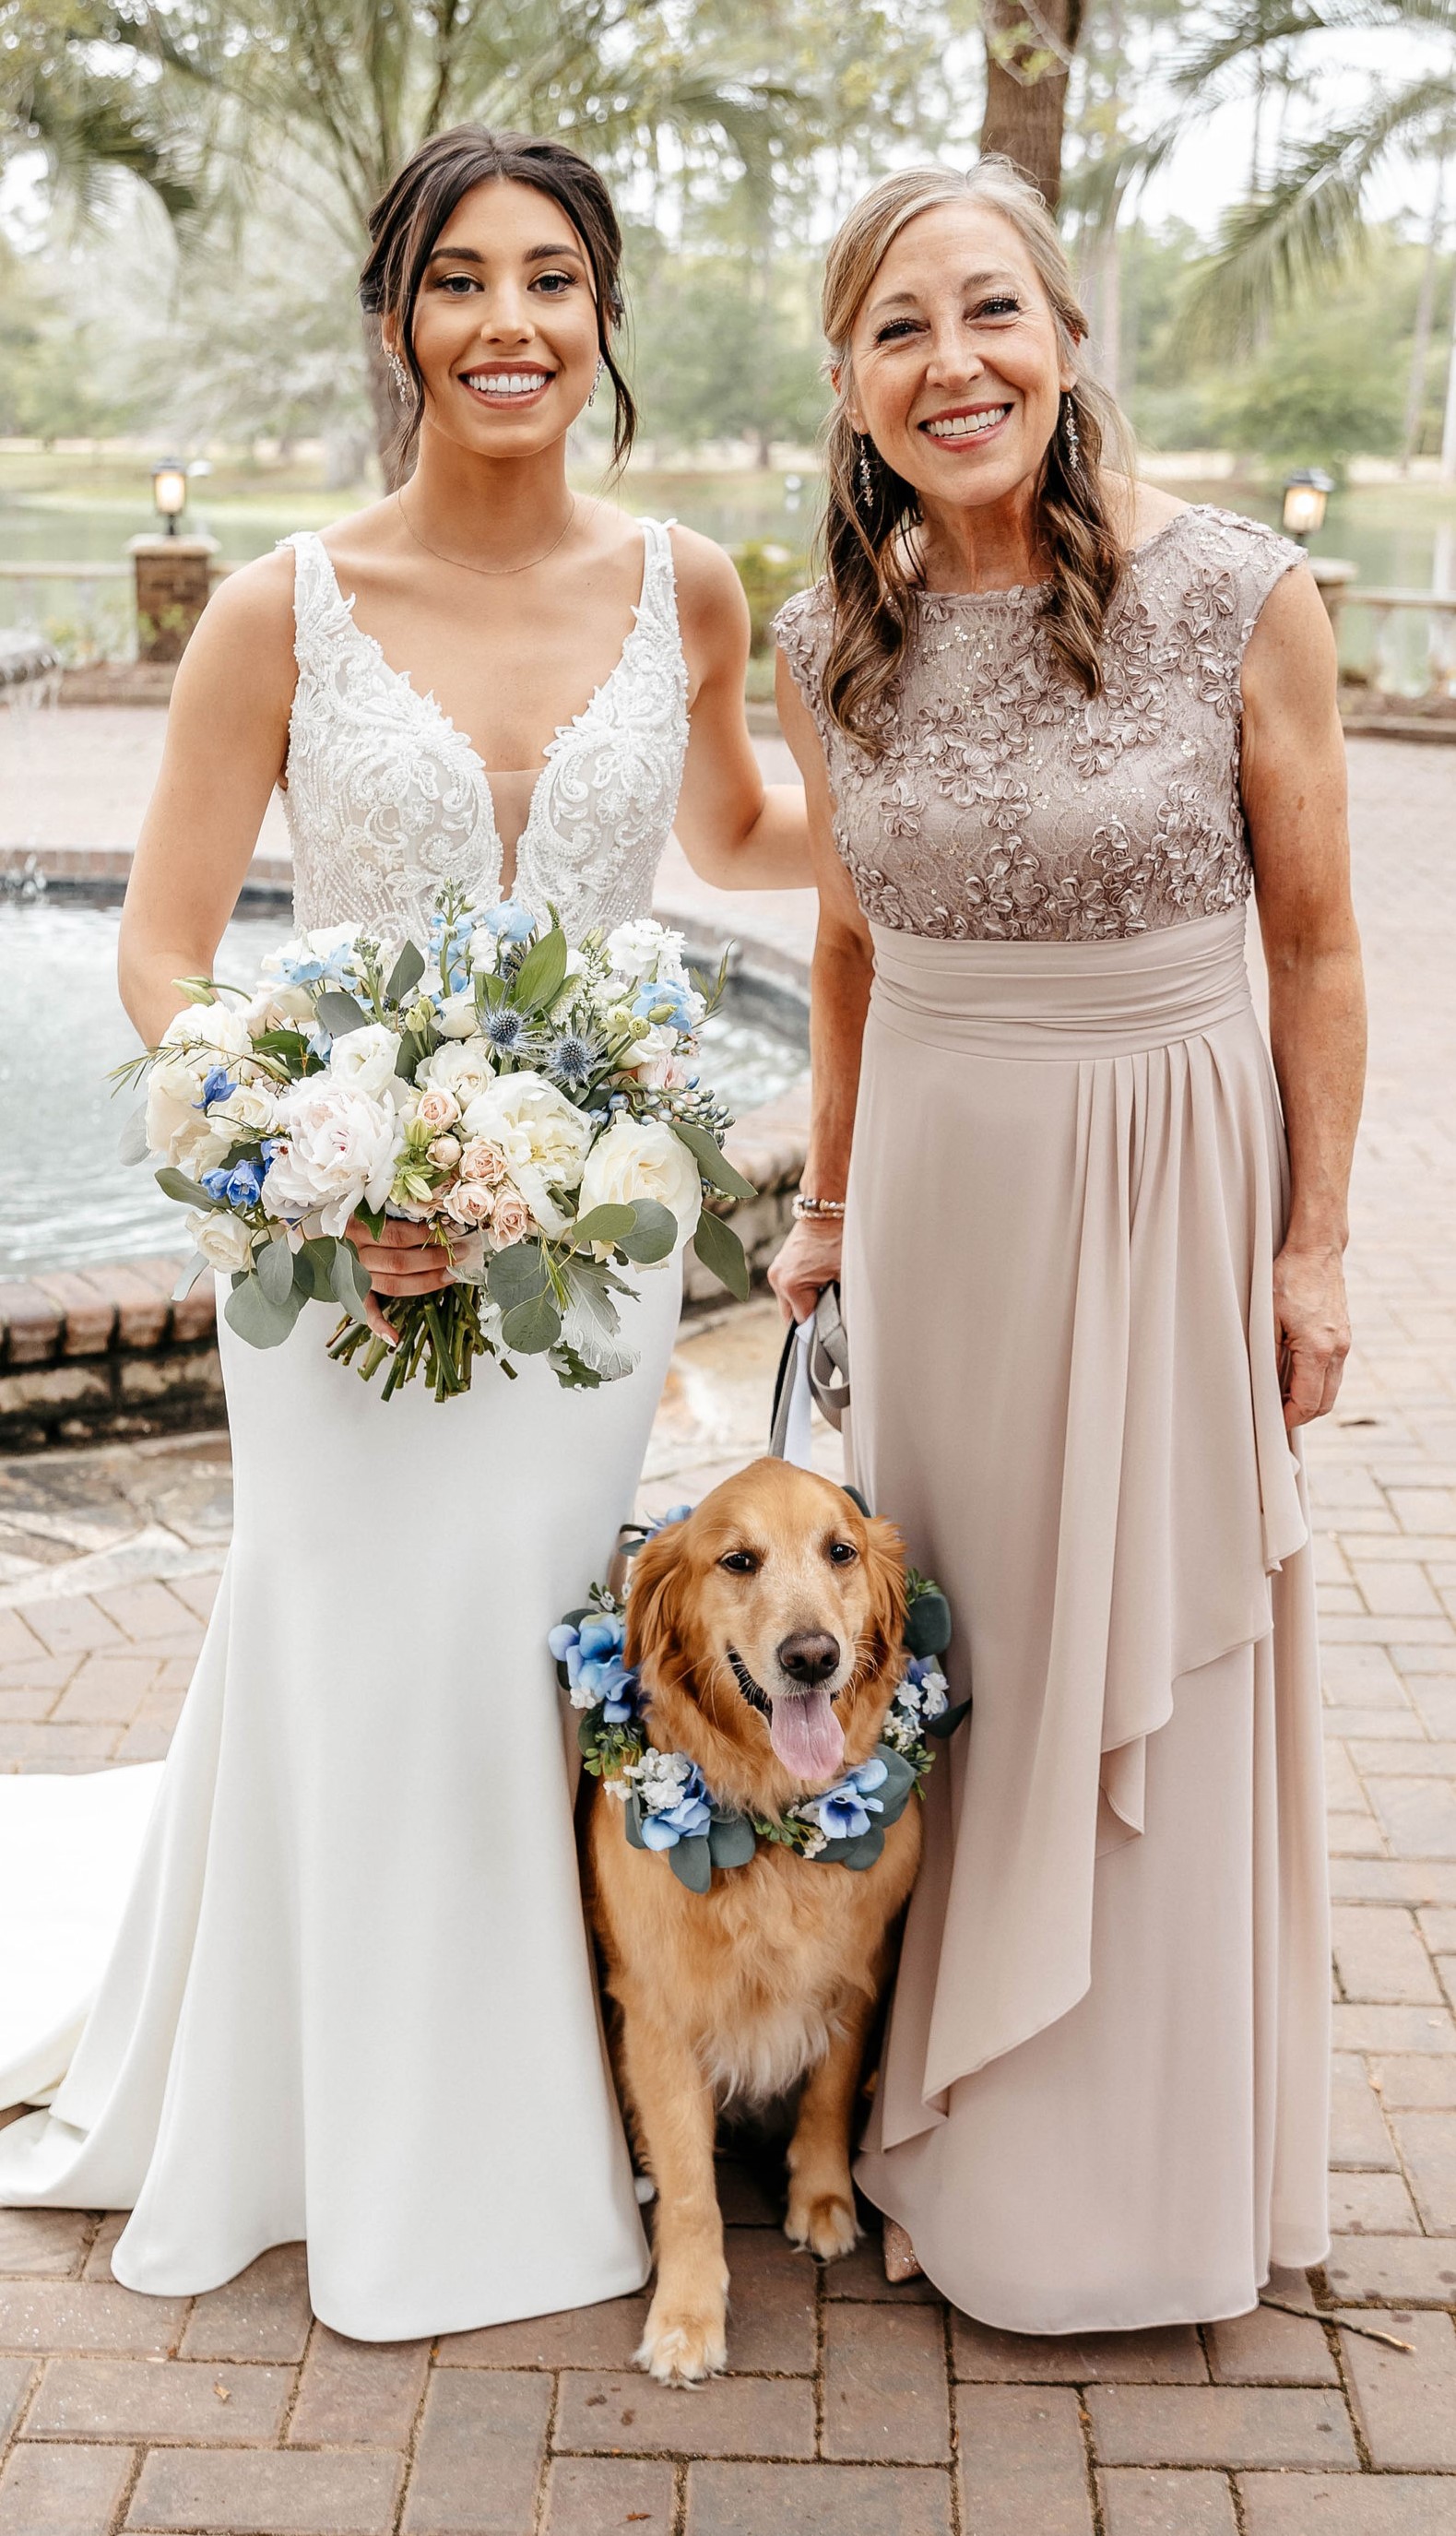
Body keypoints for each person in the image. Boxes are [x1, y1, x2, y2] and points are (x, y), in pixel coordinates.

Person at [0, 124, 810, 2341]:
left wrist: (992, 815)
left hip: (596, 1257)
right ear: (398, 319)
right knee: (361, 1647)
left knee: (533, 1651)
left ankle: (556, 2091)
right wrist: (318, 1164)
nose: (510, 322)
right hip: (353, 1262)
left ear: (605, 318)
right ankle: (328, 2122)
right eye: (462, 280)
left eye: (553, 278)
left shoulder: (690, 586)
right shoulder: (284, 603)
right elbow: (164, 954)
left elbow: (734, 822)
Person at [769, 158, 1361, 2333]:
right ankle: (957, 2137)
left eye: (992, 313)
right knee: (973, 1658)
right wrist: (826, 1208)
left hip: (1166, 1172)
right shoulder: (832, 634)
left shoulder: (1236, 593)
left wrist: (1308, 1249)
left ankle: (1143, 2189)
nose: (956, 363)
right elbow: (841, 950)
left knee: (1158, 1656)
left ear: (1063, 338)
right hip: (942, 1193)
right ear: (847, 380)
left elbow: (1313, 946)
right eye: (902, 328)